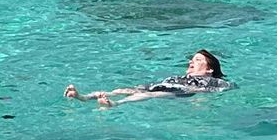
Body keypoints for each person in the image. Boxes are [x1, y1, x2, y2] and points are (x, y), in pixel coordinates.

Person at [65, 50, 228, 109]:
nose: (192, 62)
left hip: (183, 92)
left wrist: (198, 93)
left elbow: (222, 89)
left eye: (198, 60)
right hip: (167, 85)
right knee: (121, 90)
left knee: (150, 95)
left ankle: (115, 104)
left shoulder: (215, 82)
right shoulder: (180, 77)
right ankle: (83, 97)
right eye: (192, 60)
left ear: (209, 69)